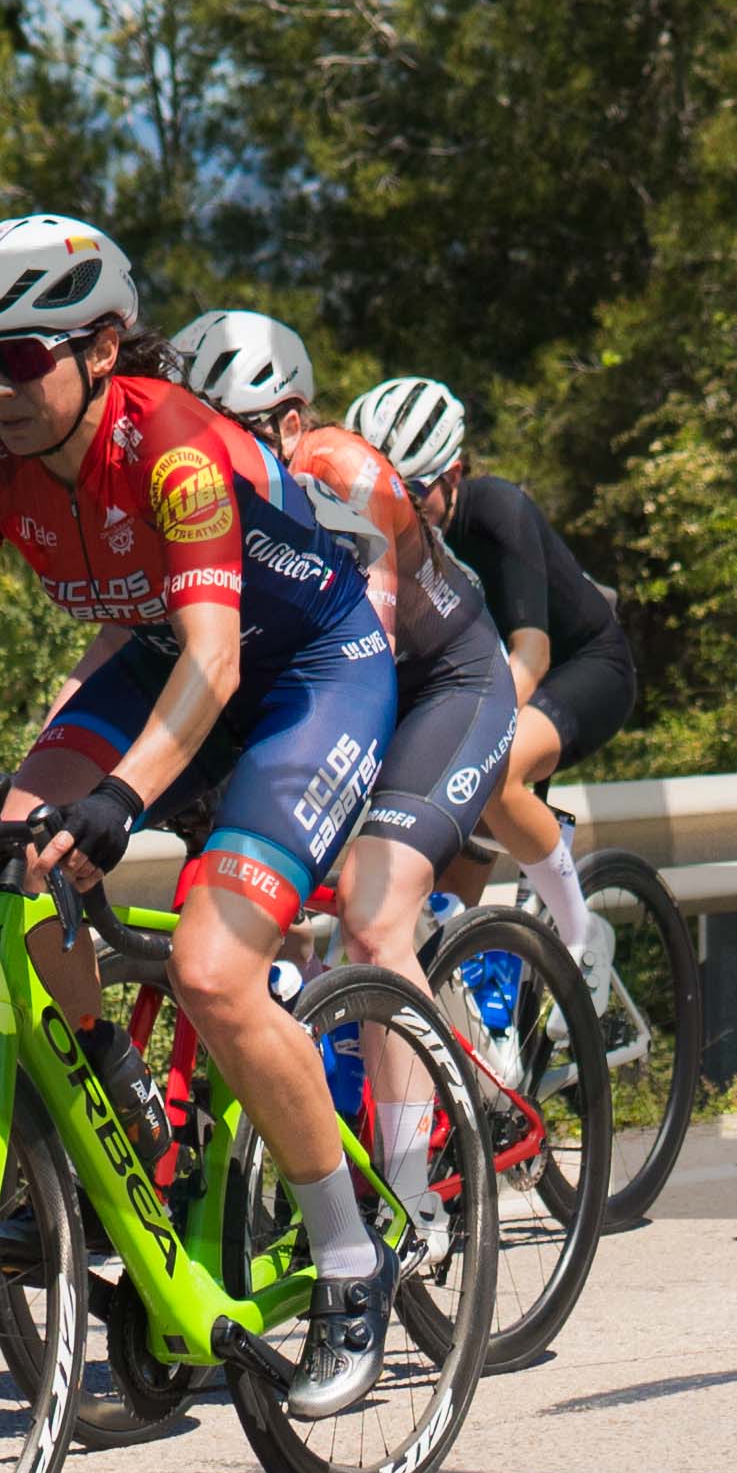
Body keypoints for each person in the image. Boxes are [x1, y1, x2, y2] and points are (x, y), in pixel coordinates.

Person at [0, 212, 407, 1420]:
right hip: (165, 664)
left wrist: (124, 796)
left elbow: (215, 654)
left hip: (306, 677)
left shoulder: (173, 445)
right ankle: (116, 1090)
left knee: (212, 971)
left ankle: (353, 1265)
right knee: (11, 836)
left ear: (102, 346)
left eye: (20, 356)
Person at [173, 311, 501, 995]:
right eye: (193, 433)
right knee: (253, 923)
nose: (212, 456)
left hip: (445, 682)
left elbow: (368, 656)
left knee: (373, 921)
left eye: (236, 434)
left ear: (290, 427)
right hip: (322, 682)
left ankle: (419, 1100)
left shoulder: (346, 472)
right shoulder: (191, 489)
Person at [353, 372, 636, 1022]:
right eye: (386, 489)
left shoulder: (497, 509)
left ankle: (582, 938)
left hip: (580, 667)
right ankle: (483, 1039)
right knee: (443, 890)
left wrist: (475, 738)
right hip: (475, 680)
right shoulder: (379, 530)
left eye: (415, 491)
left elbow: (531, 650)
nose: (399, 504)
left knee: (497, 771)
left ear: (453, 474)